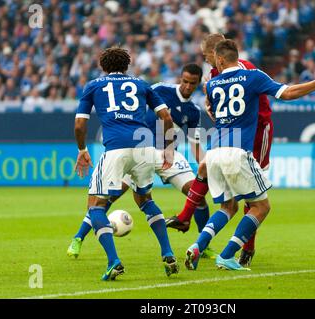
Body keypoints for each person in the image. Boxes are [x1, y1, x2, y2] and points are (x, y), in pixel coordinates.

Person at [185, 39, 315, 271]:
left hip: (214, 152)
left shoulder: (212, 84)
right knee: (261, 207)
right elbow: (286, 93)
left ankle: (198, 245)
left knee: (227, 207)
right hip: (237, 152)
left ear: (219, 60)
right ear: (237, 57)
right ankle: (227, 255)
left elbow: (215, 113)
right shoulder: (253, 76)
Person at [67, 64, 217, 260]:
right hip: (140, 149)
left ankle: (202, 245)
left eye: (192, 83)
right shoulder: (160, 89)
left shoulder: (194, 111)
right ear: (180, 78)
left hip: (166, 154)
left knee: (196, 195)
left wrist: (205, 169)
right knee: (110, 197)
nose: (187, 86)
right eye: (185, 81)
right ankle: (78, 238)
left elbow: (196, 145)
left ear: (198, 84)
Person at [166, 33, 274, 267]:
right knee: (213, 173)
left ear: (217, 54)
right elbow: (216, 108)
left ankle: (247, 246)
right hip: (231, 134)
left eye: (207, 56)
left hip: (258, 130)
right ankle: (191, 223)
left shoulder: (245, 69)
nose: (206, 61)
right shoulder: (214, 77)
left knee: (250, 194)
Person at [74, 47, 179, 280]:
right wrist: (168, 149)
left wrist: (82, 150)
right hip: (145, 147)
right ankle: (168, 252)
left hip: (115, 149)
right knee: (145, 200)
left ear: (103, 66)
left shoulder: (93, 86)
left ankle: (114, 261)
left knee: (96, 208)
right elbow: (167, 118)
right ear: (127, 65)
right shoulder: (143, 85)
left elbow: (80, 125)